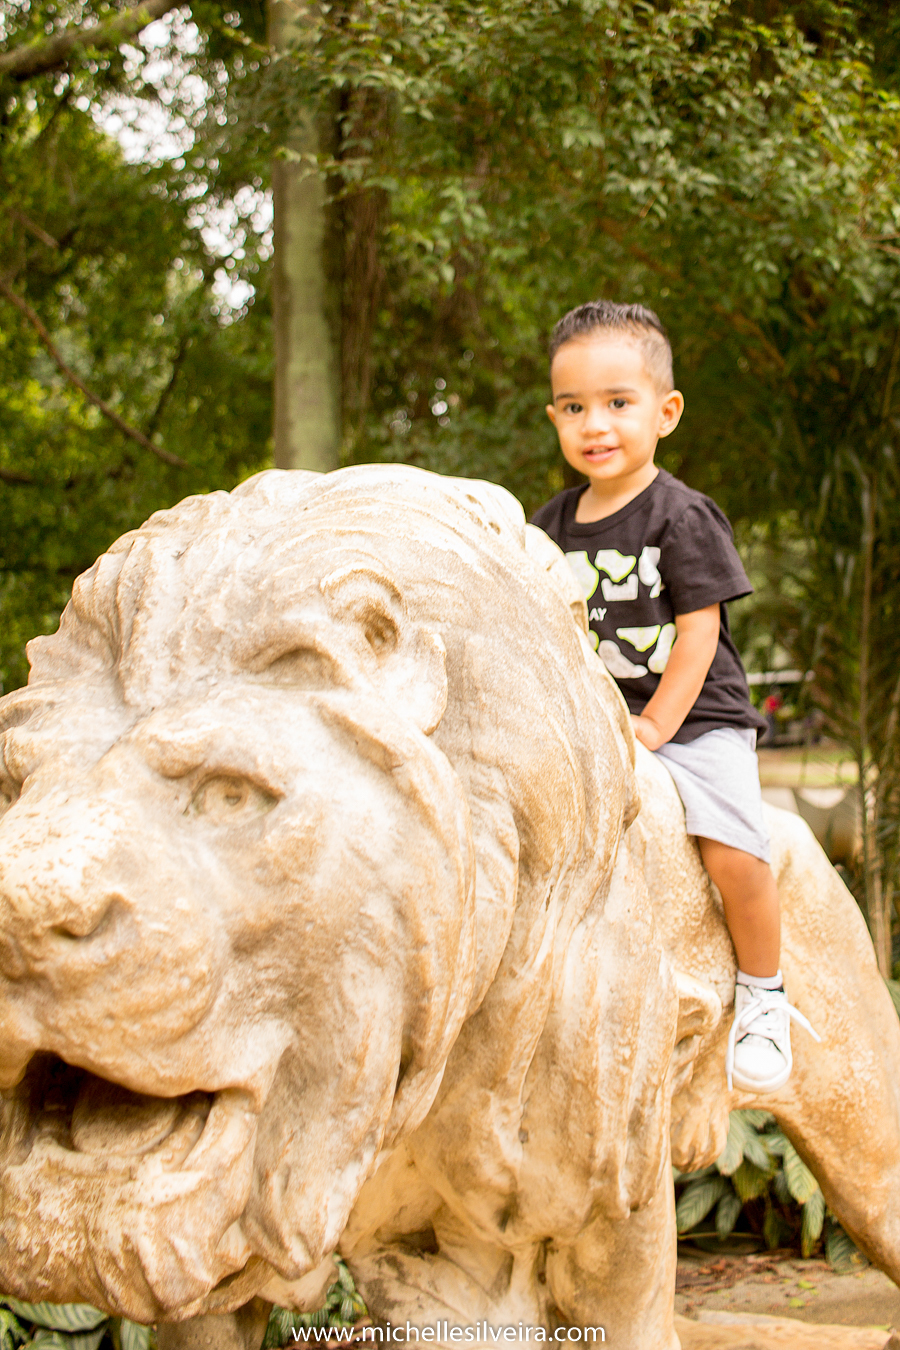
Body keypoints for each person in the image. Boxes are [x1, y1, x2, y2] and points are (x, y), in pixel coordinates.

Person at [530, 299, 819, 1093]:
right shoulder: (547, 527)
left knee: (734, 851)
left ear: (667, 411)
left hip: (694, 721)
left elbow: (697, 635)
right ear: (554, 415)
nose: (597, 423)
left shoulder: (682, 517)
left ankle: (763, 995)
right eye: (575, 407)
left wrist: (656, 726)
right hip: (602, 726)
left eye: (619, 403)